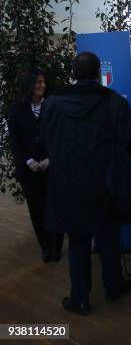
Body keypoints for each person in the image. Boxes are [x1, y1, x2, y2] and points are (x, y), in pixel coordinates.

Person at [41, 52, 131, 315]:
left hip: (68, 182)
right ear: (98, 74)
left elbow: (45, 139)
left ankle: (80, 297)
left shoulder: (54, 103)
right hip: (104, 181)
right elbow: (127, 142)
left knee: (78, 241)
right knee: (108, 237)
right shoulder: (115, 102)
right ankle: (114, 286)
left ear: (73, 73)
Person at [8, 68, 63, 263]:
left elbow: (60, 136)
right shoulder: (15, 110)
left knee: (54, 207)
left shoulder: (53, 106)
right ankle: (46, 247)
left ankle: (56, 246)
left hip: (52, 166)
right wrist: (29, 161)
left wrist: (50, 158)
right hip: (29, 170)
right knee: (36, 210)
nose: (43, 86)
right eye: (38, 83)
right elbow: (15, 141)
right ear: (29, 86)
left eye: (43, 82)